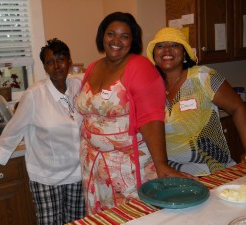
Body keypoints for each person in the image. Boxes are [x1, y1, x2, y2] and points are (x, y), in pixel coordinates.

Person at [75, 12, 190, 215]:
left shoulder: (140, 68)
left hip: (126, 169)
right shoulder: (93, 67)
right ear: (102, 36)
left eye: (125, 36)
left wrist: (161, 164)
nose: (116, 40)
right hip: (93, 164)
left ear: (133, 41)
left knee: (130, 217)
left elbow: (151, 118)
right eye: (111, 34)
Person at [0, 38, 86, 224]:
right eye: (49, 62)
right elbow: (12, 132)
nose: (56, 66)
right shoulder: (33, 95)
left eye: (61, 59)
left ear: (69, 62)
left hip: (77, 174)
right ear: (45, 68)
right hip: (46, 177)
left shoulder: (78, 87)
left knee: (78, 222)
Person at [146, 27, 246, 176]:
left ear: (184, 53)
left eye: (174, 45)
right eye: (160, 46)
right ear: (154, 54)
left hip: (213, 172)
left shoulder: (203, 77)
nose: (167, 50)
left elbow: (238, 107)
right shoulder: (151, 89)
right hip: (175, 176)